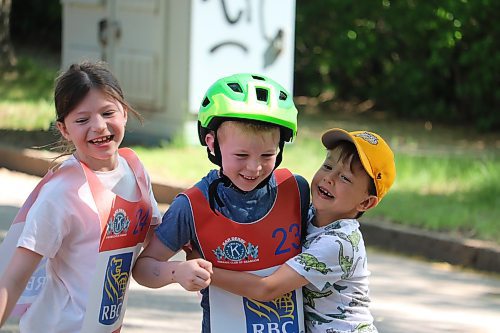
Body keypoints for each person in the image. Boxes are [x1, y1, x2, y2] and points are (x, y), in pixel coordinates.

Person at [0, 61, 209, 332]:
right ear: (64, 129)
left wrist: (187, 264)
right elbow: (14, 279)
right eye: (82, 119)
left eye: (108, 112)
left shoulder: (135, 170)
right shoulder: (60, 193)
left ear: (124, 112)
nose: (99, 126)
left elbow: (155, 247)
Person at [132, 73, 311, 332]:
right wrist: (177, 272)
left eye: (267, 155)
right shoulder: (192, 206)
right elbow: (143, 269)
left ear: (280, 149)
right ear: (212, 144)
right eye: (241, 155)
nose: (254, 167)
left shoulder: (296, 191)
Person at [205, 128, 396, 333]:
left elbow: (267, 288)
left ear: (366, 203)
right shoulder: (308, 213)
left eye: (345, 178)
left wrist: (205, 271)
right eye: (328, 165)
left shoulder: (340, 242)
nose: (329, 178)